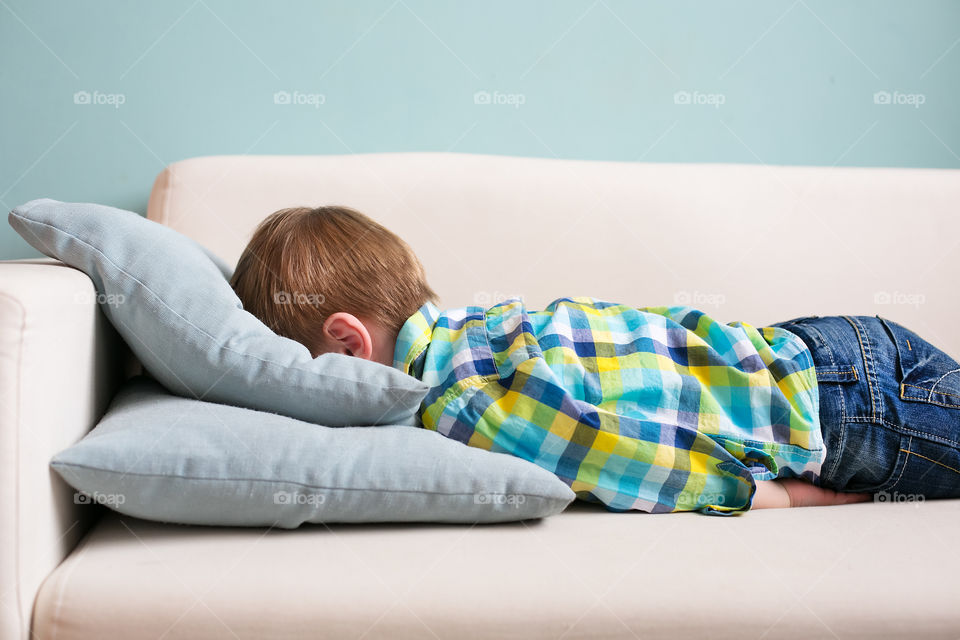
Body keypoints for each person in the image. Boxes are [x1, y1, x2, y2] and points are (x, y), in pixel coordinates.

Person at [230, 205, 960, 514]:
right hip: (831, 348)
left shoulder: (463, 403)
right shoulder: (484, 326)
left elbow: (628, 457)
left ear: (350, 344)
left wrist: (789, 499)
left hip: (849, 415)